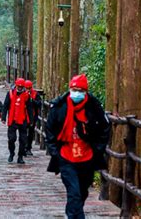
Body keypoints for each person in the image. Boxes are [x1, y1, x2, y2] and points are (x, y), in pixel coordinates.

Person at [46, 74, 111, 219]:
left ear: (85, 91)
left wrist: (98, 150)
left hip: (87, 158)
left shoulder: (94, 107)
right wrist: (55, 152)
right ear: (69, 89)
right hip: (66, 157)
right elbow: (49, 129)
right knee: (73, 192)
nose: (76, 93)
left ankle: (72, 213)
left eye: (80, 90)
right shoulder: (59, 106)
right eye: (74, 89)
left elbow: (105, 127)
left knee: (82, 192)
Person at [1, 78, 32, 164]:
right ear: (16, 85)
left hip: (23, 120)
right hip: (12, 120)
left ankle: (20, 156)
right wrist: (3, 117)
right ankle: (11, 153)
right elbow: (5, 106)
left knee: (23, 140)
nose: (20, 88)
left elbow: (29, 108)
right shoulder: (10, 94)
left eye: (22, 87)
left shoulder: (26, 95)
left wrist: (31, 120)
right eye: (19, 86)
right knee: (12, 139)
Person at [24, 80, 42, 156]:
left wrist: (32, 100)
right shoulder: (21, 93)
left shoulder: (35, 94)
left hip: (33, 116)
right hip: (24, 115)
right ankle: (23, 147)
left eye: (29, 88)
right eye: (26, 88)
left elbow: (39, 103)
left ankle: (29, 148)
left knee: (31, 132)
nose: (28, 89)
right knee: (23, 132)